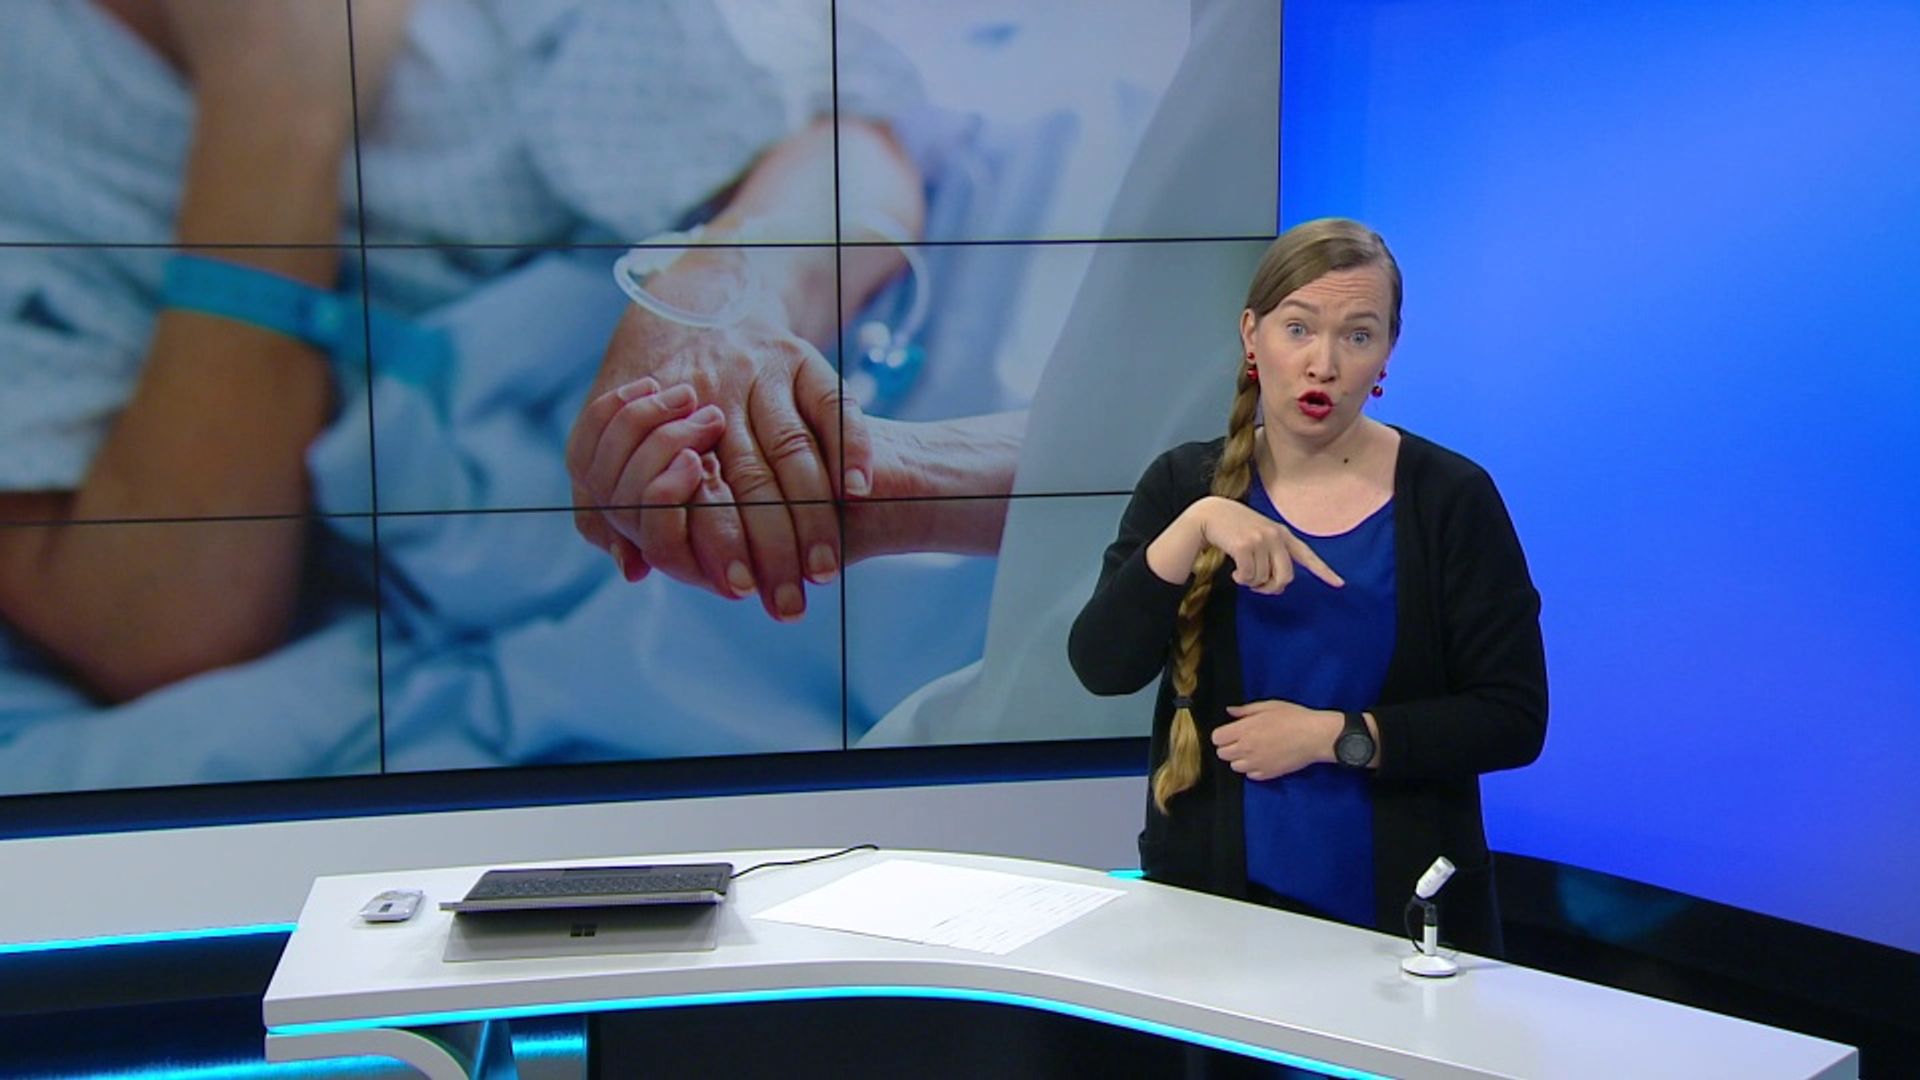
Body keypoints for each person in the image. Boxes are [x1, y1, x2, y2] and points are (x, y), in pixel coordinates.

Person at [1067, 218, 1547, 955]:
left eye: (1358, 336)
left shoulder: (1450, 498)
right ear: (1251, 335)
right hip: (1211, 914)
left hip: (1406, 926)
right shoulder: (1184, 485)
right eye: (1299, 329)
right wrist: (1194, 527)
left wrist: (1334, 738)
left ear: (1387, 352)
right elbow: (1102, 667)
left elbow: (1513, 717)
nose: (1324, 363)